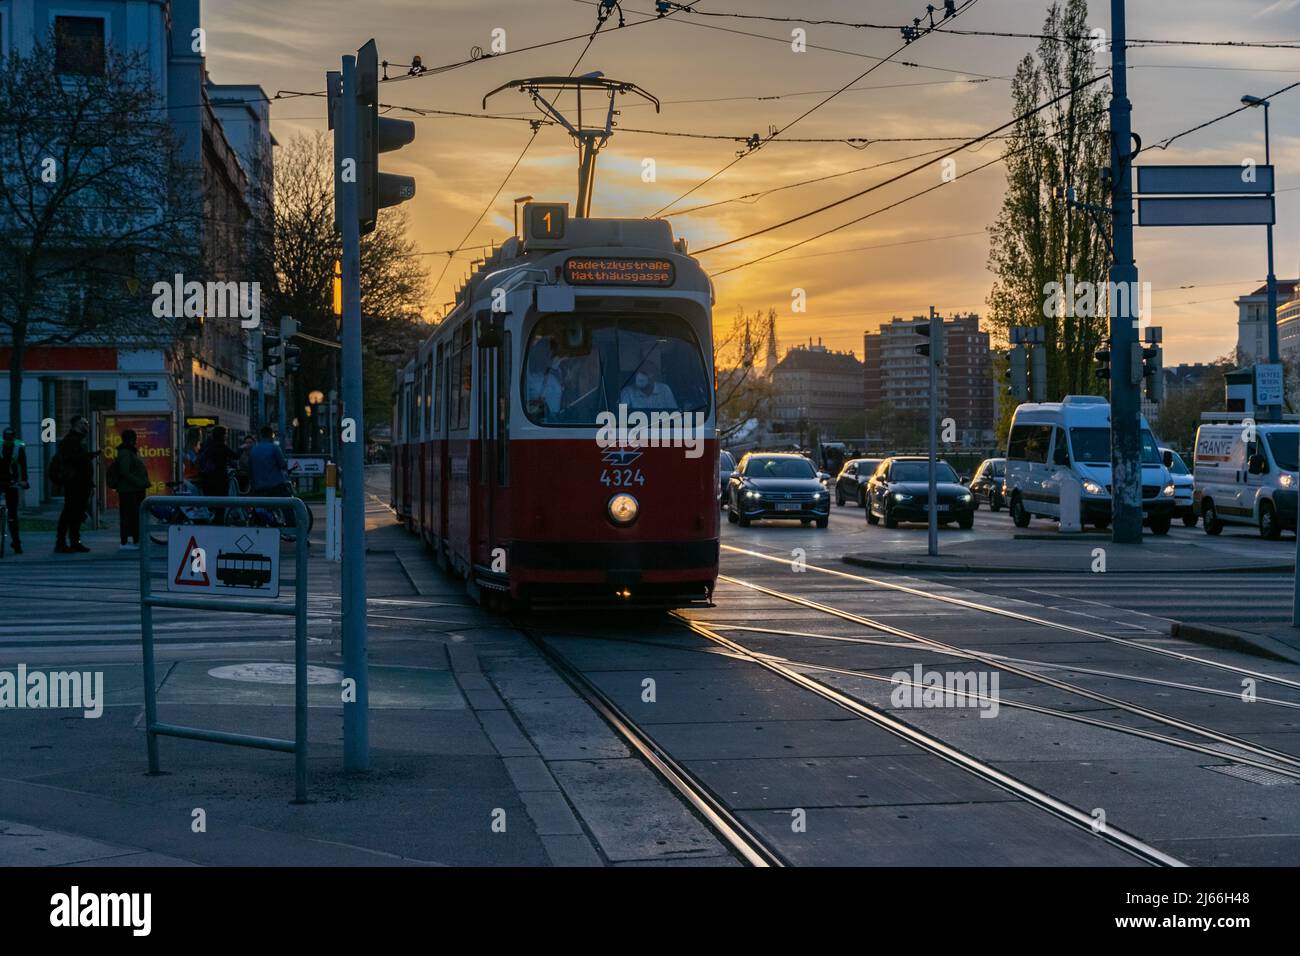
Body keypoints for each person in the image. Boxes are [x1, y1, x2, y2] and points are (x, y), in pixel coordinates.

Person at [53, 416, 97, 554]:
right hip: (75, 484)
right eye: (85, 423)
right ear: (77, 424)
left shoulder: (76, 440)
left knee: (75, 513)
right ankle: (62, 543)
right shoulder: (71, 440)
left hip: (79, 483)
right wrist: (87, 457)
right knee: (69, 513)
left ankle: (74, 542)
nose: (87, 425)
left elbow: (76, 460)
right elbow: (73, 461)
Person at [107, 429, 151, 550]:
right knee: (129, 516)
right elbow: (125, 471)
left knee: (133, 516)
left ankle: (134, 540)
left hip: (132, 490)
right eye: (134, 438)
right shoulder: (126, 453)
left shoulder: (127, 452)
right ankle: (125, 542)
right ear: (132, 439)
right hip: (129, 490)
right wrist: (140, 482)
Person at [247, 425, 294, 527]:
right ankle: (292, 527)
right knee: (288, 504)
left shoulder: (254, 450)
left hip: (259, 487)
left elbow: (249, 469)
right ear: (271, 435)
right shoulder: (274, 448)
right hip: (275, 486)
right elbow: (282, 465)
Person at [1, 426, 29, 555]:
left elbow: (23, 465)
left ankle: (16, 543)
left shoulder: (18, 448)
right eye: (6, 439)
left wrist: (24, 480)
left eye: (10, 439)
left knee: (12, 515)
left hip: (12, 482)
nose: (8, 441)